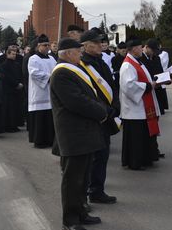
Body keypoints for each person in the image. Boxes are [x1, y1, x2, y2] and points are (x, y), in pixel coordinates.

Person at [50, 38, 110, 230]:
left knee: (82, 178)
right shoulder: (61, 74)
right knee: (72, 179)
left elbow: (89, 96)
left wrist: (100, 107)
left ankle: (81, 212)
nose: (80, 54)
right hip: (73, 134)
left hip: (84, 132)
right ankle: (70, 220)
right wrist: (102, 111)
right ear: (67, 53)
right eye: (77, 51)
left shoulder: (73, 70)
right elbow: (76, 101)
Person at [79, 29, 120, 204]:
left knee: (103, 155)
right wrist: (105, 110)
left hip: (107, 115)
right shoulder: (82, 65)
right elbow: (89, 94)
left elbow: (111, 86)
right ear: (85, 46)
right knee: (92, 158)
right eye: (95, 43)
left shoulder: (101, 61)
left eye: (100, 42)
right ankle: (88, 191)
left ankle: (97, 190)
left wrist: (115, 105)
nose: (99, 45)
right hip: (95, 117)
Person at [119, 38, 161, 170]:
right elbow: (128, 85)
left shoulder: (138, 62)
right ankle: (134, 161)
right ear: (132, 49)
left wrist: (153, 82)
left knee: (144, 135)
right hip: (134, 108)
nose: (142, 49)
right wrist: (148, 86)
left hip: (143, 106)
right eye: (139, 47)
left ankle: (145, 158)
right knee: (136, 138)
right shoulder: (127, 65)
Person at [27, 34, 57, 148]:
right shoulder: (33, 59)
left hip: (50, 92)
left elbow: (56, 70)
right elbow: (34, 73)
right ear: (39, 46)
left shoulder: (52, 59)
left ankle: (50, 140)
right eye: (45, 45)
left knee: (49, 118)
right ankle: (39, 140)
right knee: (40, 118)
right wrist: (49, 77)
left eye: (48, 45)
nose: (47, 47)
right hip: (39, 92)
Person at [141, 38, 169, 115]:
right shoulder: (139, 58)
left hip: (157, 89)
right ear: (146, 47)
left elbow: (160, 72)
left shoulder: (156, 58)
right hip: (147, 90)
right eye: (152, 50)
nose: (154, 53)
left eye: (155, 51)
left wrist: (166, 79)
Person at [0, 45, 24, 132]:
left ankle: (14, 125)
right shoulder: (4, 65)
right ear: (8, 54)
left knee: (16, 108)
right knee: (9, 109)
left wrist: (21, 83)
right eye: (12, 54)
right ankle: (8, 126)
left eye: (15, 54)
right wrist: (16, 84)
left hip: (17, 90)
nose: (14, 56)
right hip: (8, 90)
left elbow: (20, 75)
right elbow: (6, 77)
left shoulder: (17, 64)